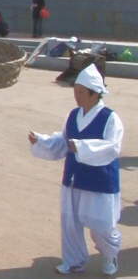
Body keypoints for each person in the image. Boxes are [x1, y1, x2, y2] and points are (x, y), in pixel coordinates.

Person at [28, 64, 122, 275]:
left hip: (99, 181)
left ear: (95, 93)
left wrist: (81, 147)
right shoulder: (73, 115)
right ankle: (74, 260)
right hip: (73, 178)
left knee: (101, 227)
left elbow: (112, 147)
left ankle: (110, 255)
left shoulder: (110, 118)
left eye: (80, 92)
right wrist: (41, 140)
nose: (76, 96)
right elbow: (63, 142)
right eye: (75, 91)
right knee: (70, 223)